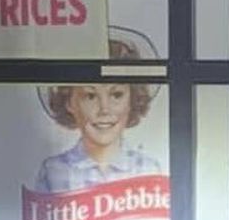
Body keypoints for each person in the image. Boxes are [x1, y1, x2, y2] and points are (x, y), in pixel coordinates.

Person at [34, 42, 162, 193]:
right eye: (90, 96)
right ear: (69, 103)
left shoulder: (148, 169)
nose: (104, 110)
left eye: (116, 95)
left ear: (132, 100)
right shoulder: (53, 171)